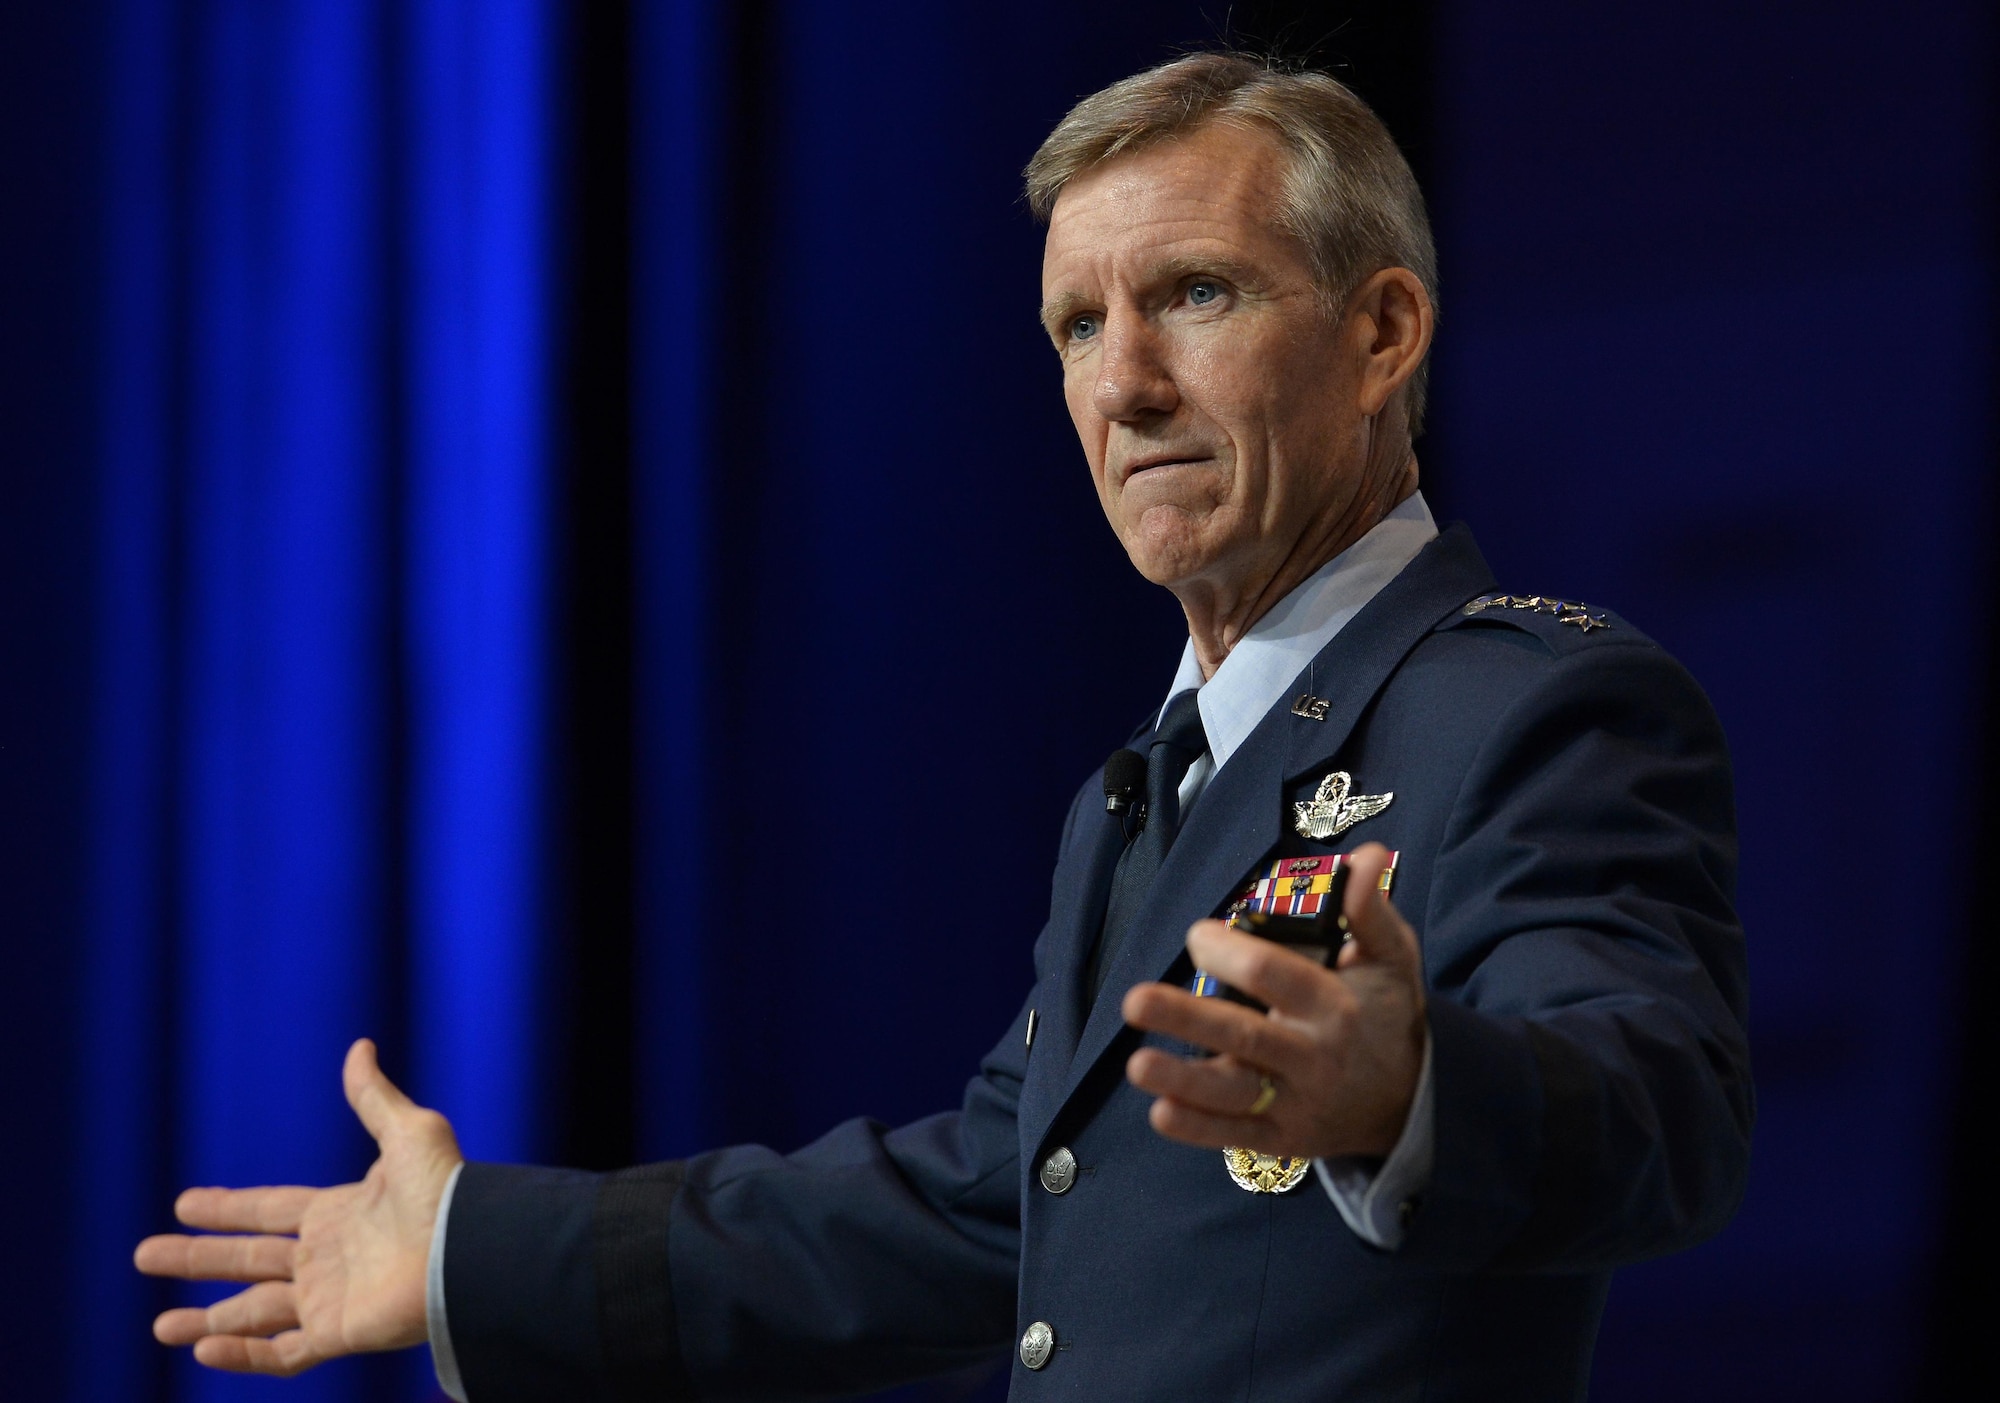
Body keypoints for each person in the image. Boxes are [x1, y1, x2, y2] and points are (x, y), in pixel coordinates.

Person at [136, 52, 1752, 1401]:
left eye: (1195, 294)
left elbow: (1658, 1106)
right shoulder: (1144, 788)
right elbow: (990, 1207)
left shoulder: (1535, 709)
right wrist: (467, 1248)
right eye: (1076, 326)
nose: (1124, 385)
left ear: (1381, 334)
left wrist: (1414, 1094)